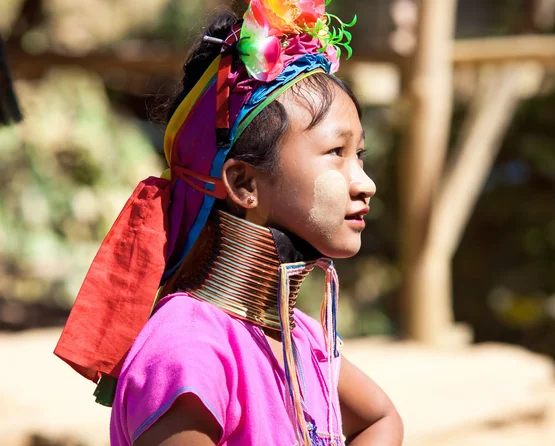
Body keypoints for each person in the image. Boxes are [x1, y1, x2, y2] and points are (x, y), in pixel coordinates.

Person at [55, 2, 403, 445]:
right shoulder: (189, 349)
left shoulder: (300, 335)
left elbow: (381, 420)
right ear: (243, 183)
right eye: (336, 152)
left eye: (360, 155)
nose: (365, 183)